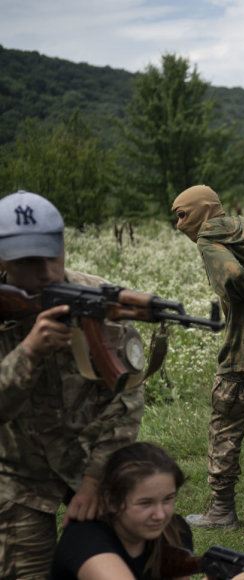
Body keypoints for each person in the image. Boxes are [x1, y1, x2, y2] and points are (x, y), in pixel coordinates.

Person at [0, 190, 145, 579]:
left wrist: (97, 477)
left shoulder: (98, 300)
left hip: (94, 462)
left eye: (52, 255)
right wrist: (28, 352)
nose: (45, 271)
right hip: (17, 474)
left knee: (138, 556)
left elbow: (127, 398)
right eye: (28, 261)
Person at [171, 185, 244, 530]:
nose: (179, 225)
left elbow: (234, 276)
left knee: (224, 428)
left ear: (202, 210)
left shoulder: (208, 238)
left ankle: (221, 510)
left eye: (182, 215)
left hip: (242, 352)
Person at [50, 441, 244, 580]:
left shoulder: (174, 530)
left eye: (168, 499)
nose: (161, 515)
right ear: (112, 501)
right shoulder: (86, 539)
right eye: (145, 503)